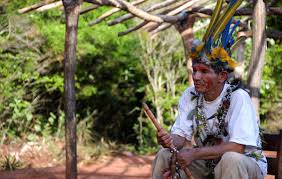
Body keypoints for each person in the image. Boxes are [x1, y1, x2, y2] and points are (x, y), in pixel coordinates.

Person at [151, 1, 267, 179]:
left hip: (245, 164)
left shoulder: (238, 97)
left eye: (204, 71)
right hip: (209, 163)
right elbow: (180, 137)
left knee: (231, 159)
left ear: (222, 76)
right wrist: (168, 140)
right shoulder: (190, 95)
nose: (196, 76)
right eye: (195, 70)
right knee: (165, 155)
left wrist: (195, 154)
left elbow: (238, 148)